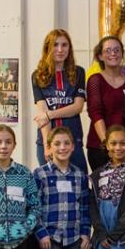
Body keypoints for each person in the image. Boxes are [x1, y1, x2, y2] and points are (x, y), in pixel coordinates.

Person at [32, 29, 88, 173]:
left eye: (65, 45)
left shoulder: (79, 72)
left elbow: (77, 107)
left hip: (73, 139)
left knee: (79, 182)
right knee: (50, 186)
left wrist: (50, 115)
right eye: (55, 45)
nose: (60, 49)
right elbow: (42, 111)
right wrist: (47, 145)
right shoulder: (38, 76)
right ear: (48, 48)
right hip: (46, 139)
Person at [86, 36, 125, 171]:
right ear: (100, 56)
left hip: (124, 147)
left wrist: (121, 145)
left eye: (117, 50)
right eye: (108, 50)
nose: (113, 53)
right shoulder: (95, 80)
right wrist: (109, 145)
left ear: (122, 54)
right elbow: (95, 113)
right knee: (102, 189)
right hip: (100, 146)